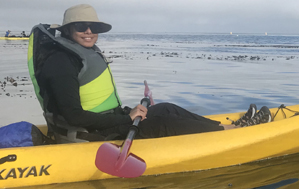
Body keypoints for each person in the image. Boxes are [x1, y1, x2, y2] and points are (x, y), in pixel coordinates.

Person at [31, 4, 271, 143]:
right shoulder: (60, 63)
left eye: (93, 27)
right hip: (85, 134)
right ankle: (237, 134)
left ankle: (225, 126)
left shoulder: (76, 54)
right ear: (67, 30)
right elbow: (74, 117)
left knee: (166, 108)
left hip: (101, 123)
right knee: (162, 123)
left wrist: (127, 113)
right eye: (81, 27)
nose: (89, 31)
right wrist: (127, 118)